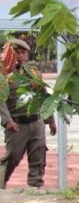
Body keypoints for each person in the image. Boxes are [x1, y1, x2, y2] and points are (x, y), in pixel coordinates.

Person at [1, 39, 56, 189]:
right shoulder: (3, 75)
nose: (20, 56)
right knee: (12, 158)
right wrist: (7, 121)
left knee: (39, 155)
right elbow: (1, 101)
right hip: (16, 124)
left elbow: (44, 96)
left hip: (36, 122)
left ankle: (35, 186)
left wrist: (50, 120)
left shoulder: (34, 73)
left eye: (23, 52)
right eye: (16, 52)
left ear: (27, 54)